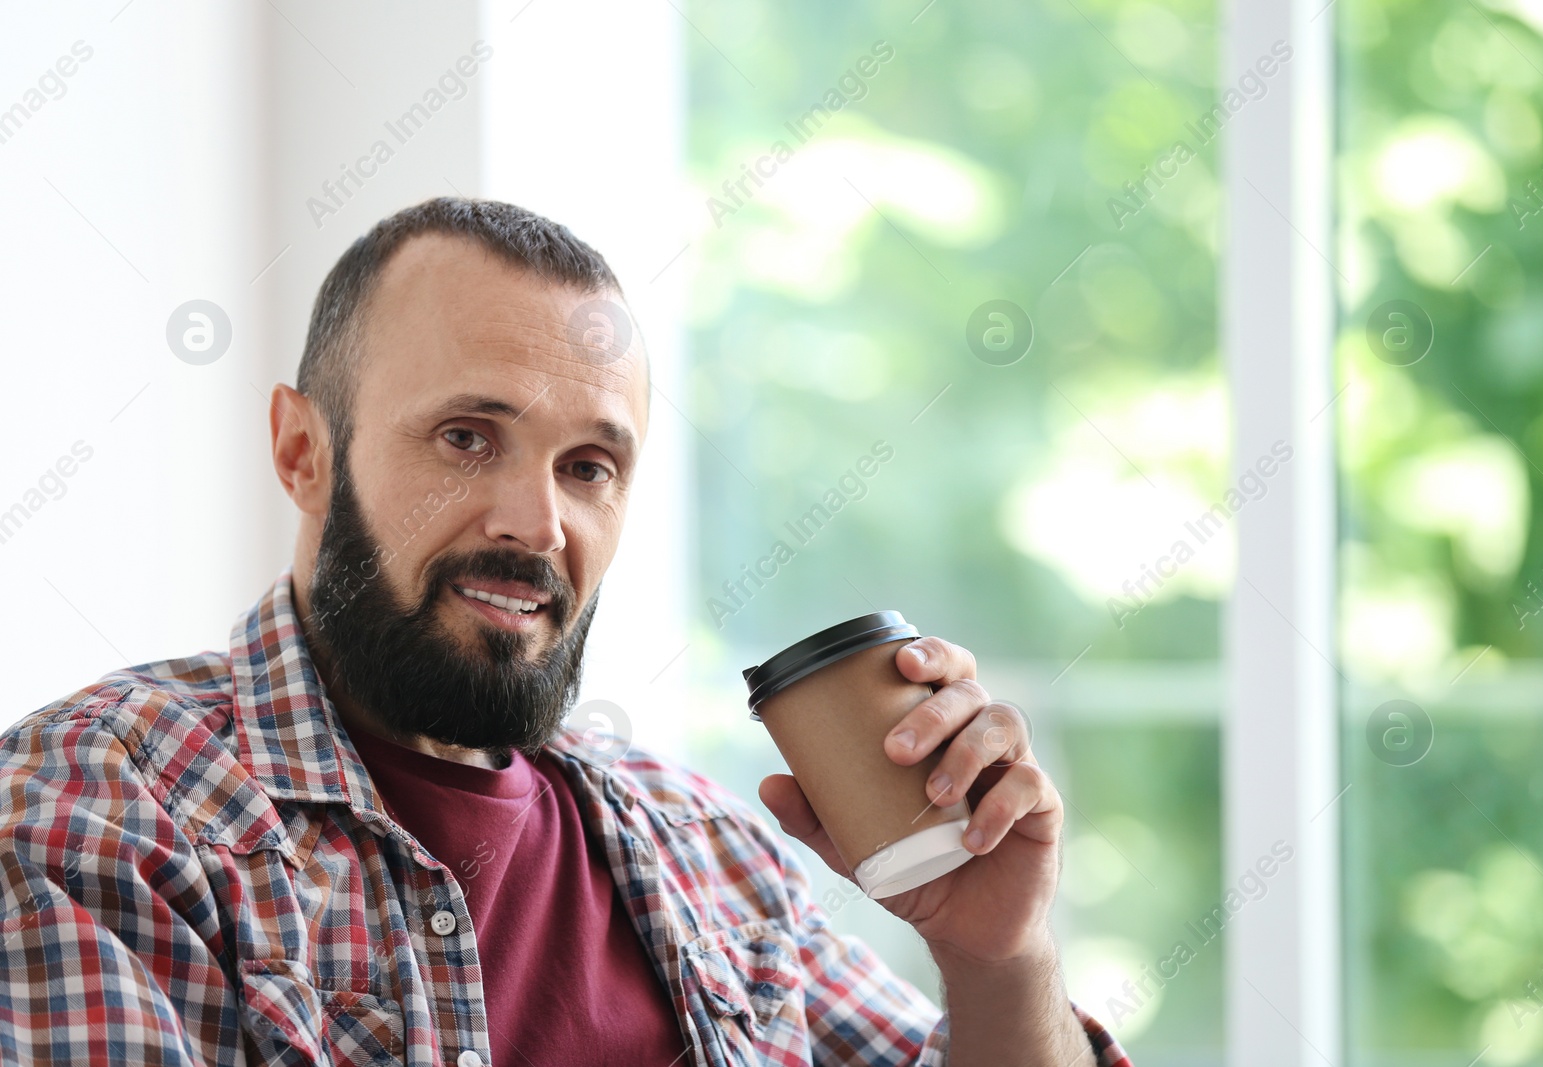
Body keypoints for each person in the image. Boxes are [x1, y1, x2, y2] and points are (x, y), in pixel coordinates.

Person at [0, 197, 1132, 1066]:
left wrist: (997, 957)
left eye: (588, 466)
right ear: (304, 451)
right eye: (464, 437)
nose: (535, 523)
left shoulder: (714, 857)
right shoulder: (94, 812)